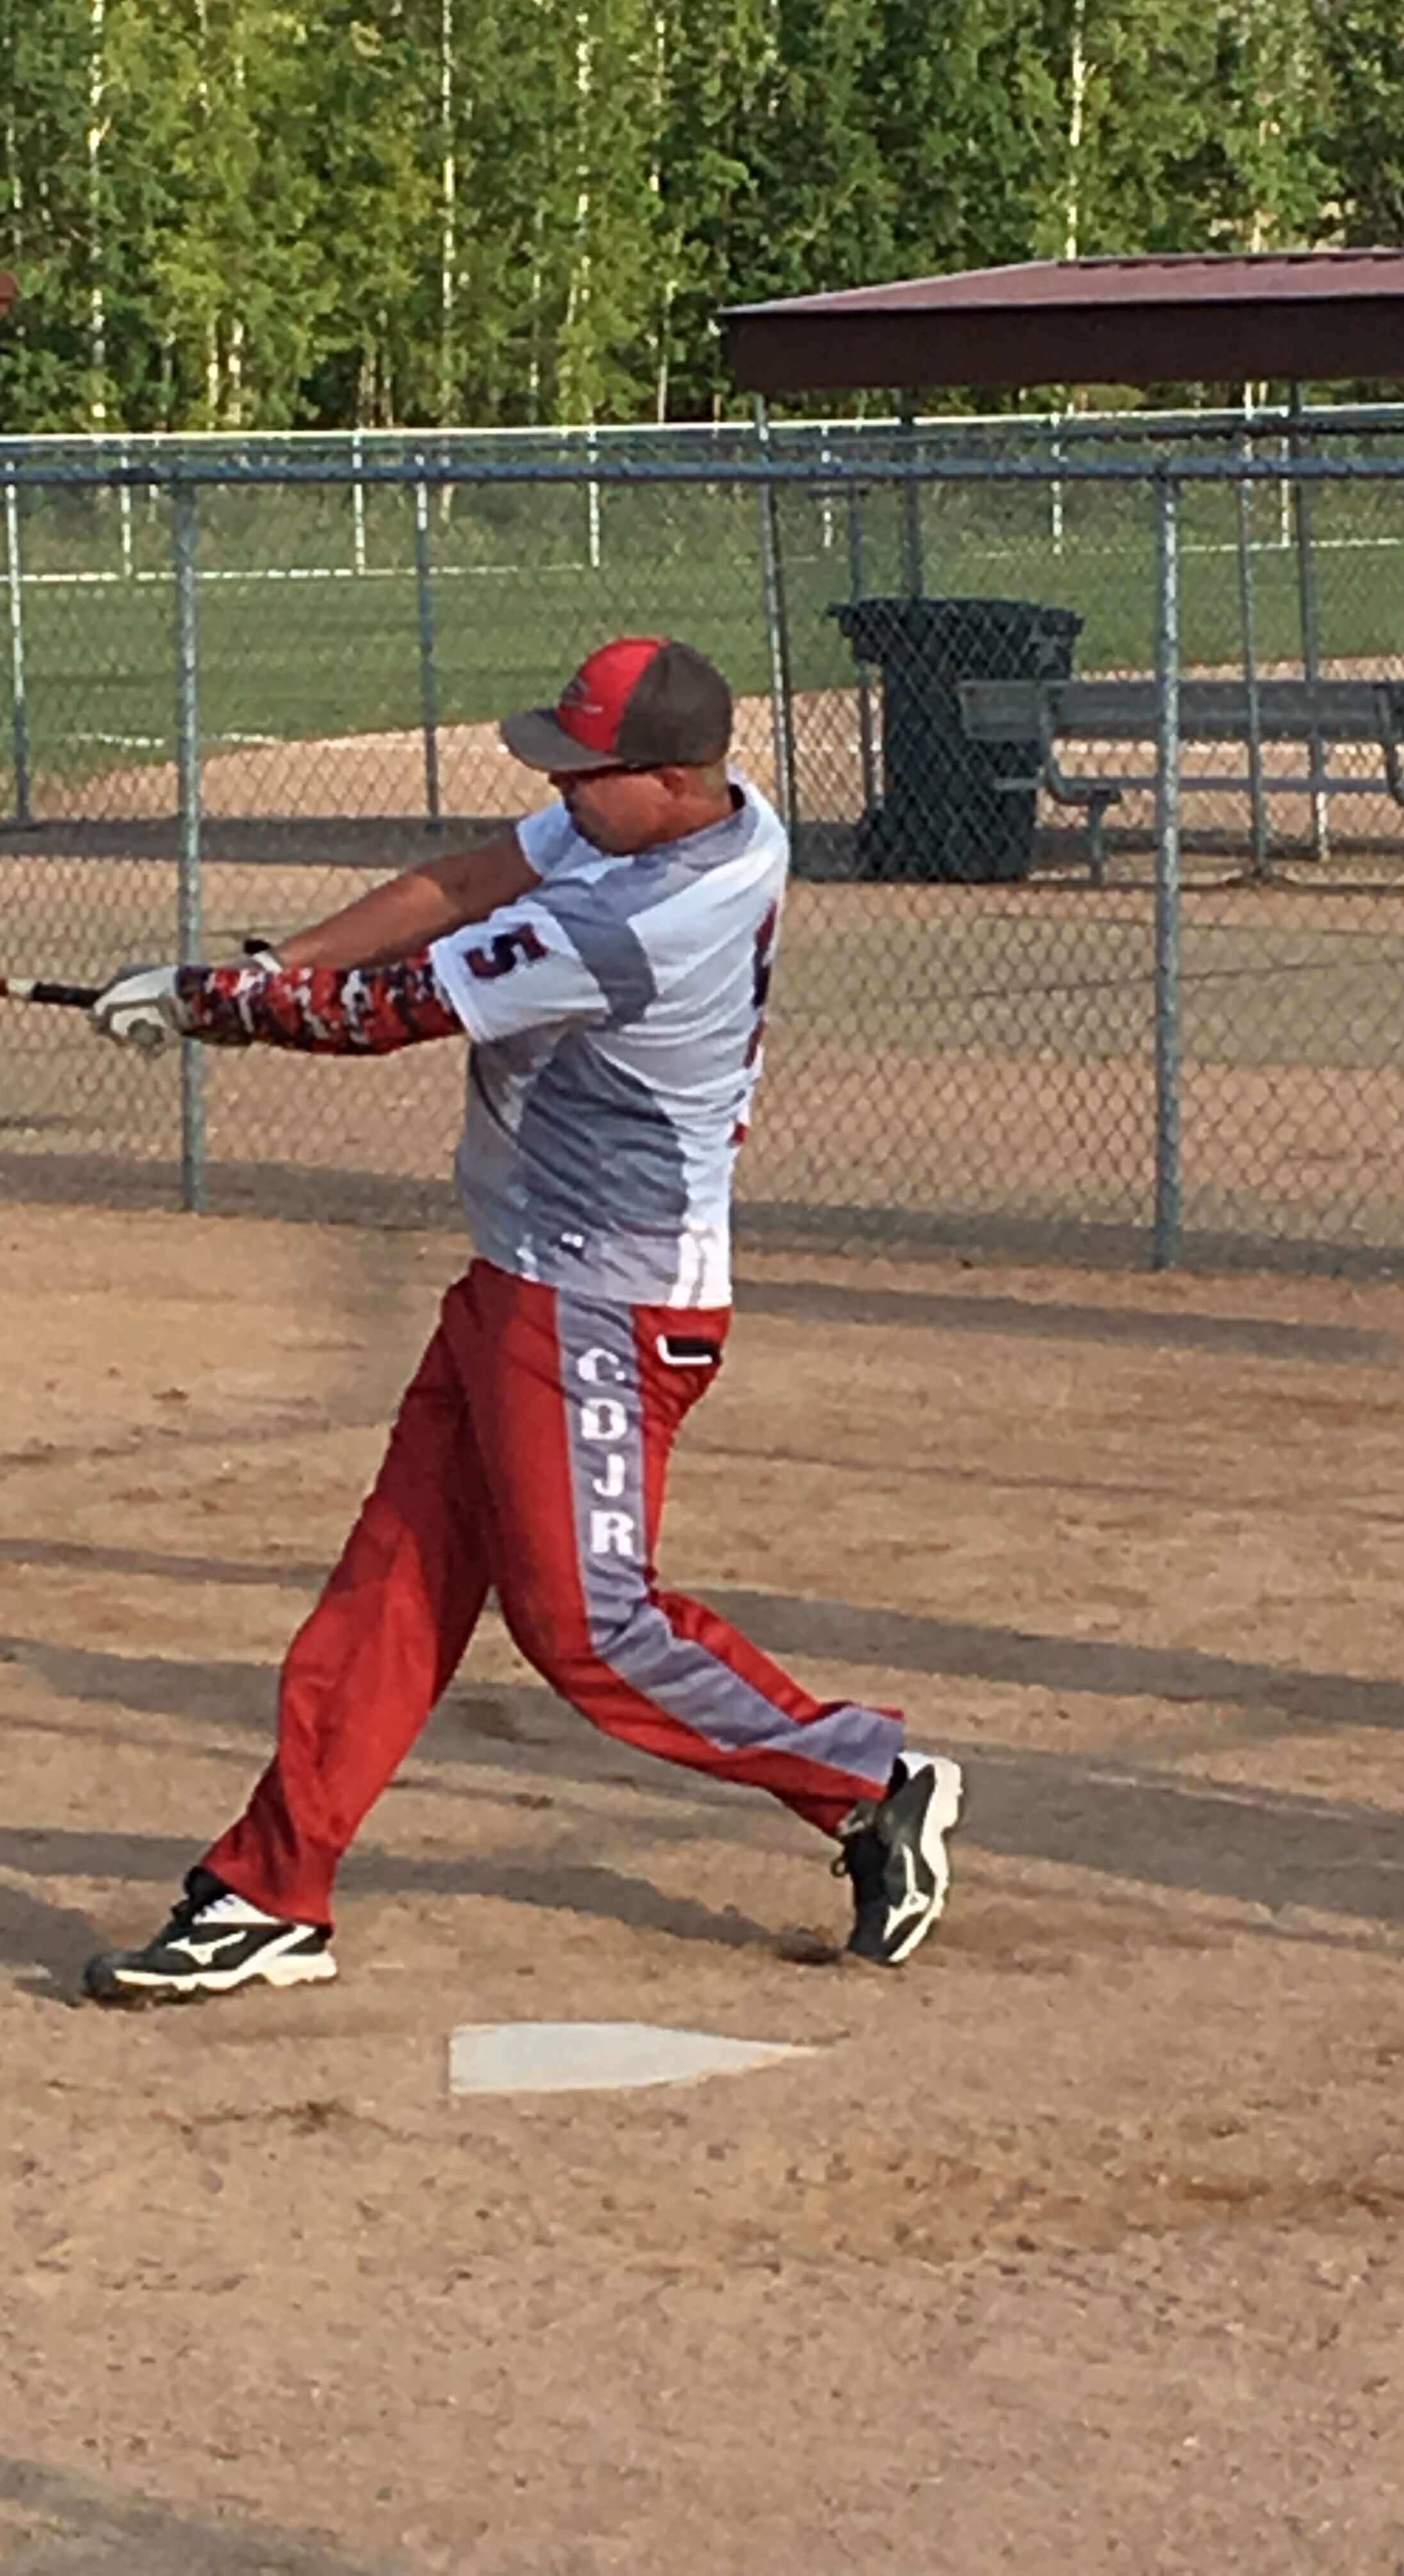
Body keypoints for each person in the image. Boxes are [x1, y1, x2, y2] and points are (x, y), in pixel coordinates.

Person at [80, 636, 963, 2004]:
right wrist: (261, 966)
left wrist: (224, 1006)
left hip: (605, 1305)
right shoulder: (706, 817)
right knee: (394, 1590)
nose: (566, 792)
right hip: (521, 1280)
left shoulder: (638, 921)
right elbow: (467, 878)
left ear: (674, 781)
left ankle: (864, 1773)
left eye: (589, 773)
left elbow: (391, 1012)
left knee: (591, 1630)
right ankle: (269, 1888)